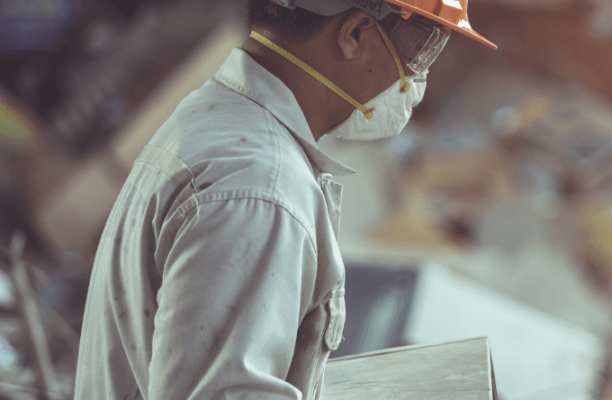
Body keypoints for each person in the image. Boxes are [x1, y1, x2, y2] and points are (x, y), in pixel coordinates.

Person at [73, 0, 495, 398]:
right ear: (354, 32)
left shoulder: (210, 118)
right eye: (421, 50)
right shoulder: (262, 190)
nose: (417, 78)